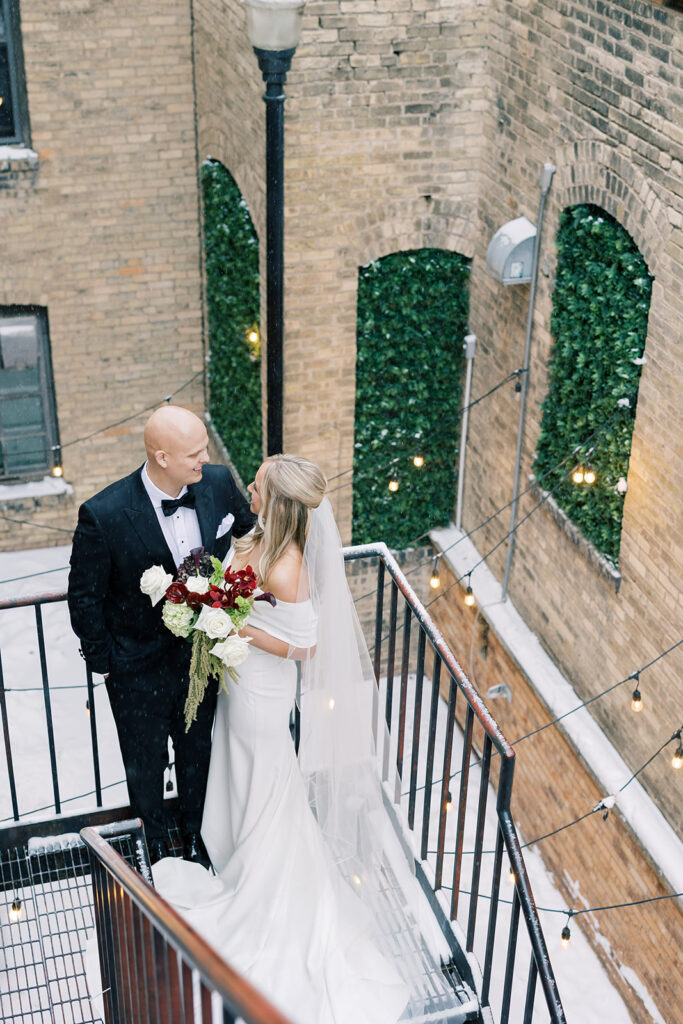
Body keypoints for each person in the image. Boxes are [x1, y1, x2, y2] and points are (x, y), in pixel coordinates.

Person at [67, 405, 255, 865]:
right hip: (135, 672)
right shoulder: (104, 513)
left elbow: (249, 537)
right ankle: (154, 850)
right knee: (145, 767)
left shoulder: (217, 483)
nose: (205, 458)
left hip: (201, 662)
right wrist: (108, 662)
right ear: (161, 457)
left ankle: (197, 839)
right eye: (194, 452)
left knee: (198, 756)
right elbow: (84, 598)